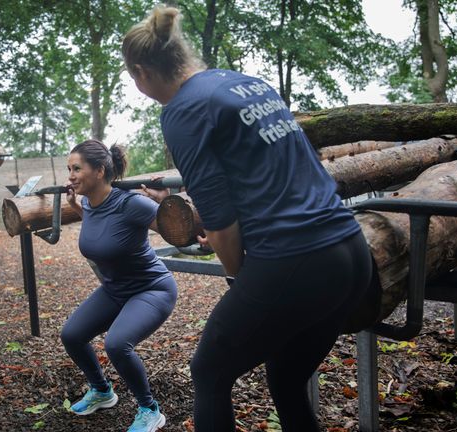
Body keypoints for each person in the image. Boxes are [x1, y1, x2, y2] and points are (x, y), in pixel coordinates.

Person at [122, 6, 373, 432]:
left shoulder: (182, 110)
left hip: (296, 259)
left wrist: (242, 277)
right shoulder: (245, 84)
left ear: (141, 72)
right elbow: (270, 177)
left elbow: (220, 223)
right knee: (287, 376)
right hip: (350, 251)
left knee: (209, 372)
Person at [61, 139, 177, 432]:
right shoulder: (88, 202)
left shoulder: (132, 203)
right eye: (69, 169)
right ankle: (102, 392)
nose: (71, 175)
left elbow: (178, 231)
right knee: (72, 335)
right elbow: (104, 229)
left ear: (99, 171)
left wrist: (164, 202)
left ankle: (150, 410)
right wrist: (76, 207)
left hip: (152, 288)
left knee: (116, 344)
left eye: (77, 168)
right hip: (116, 289)